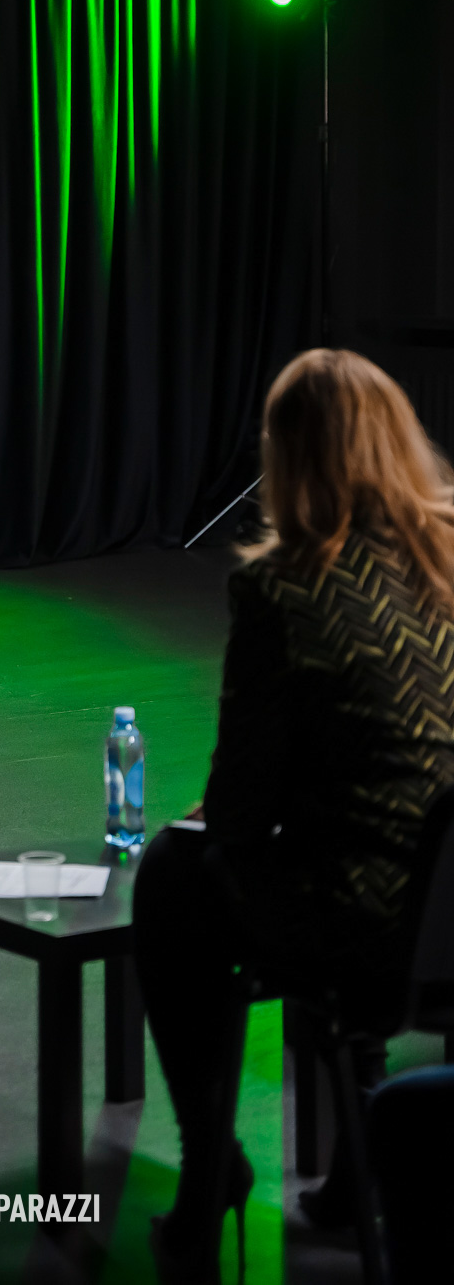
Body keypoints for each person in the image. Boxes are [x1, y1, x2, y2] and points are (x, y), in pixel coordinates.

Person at [132, 348, 454, 1282]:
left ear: (290, 455)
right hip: (449, 911)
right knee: (341, 859)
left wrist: (235, 806)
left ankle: (208, 1166)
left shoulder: (285, 587)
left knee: (177, 873)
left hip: (371, 928)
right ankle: (358, 1165)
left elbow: (238, 816)